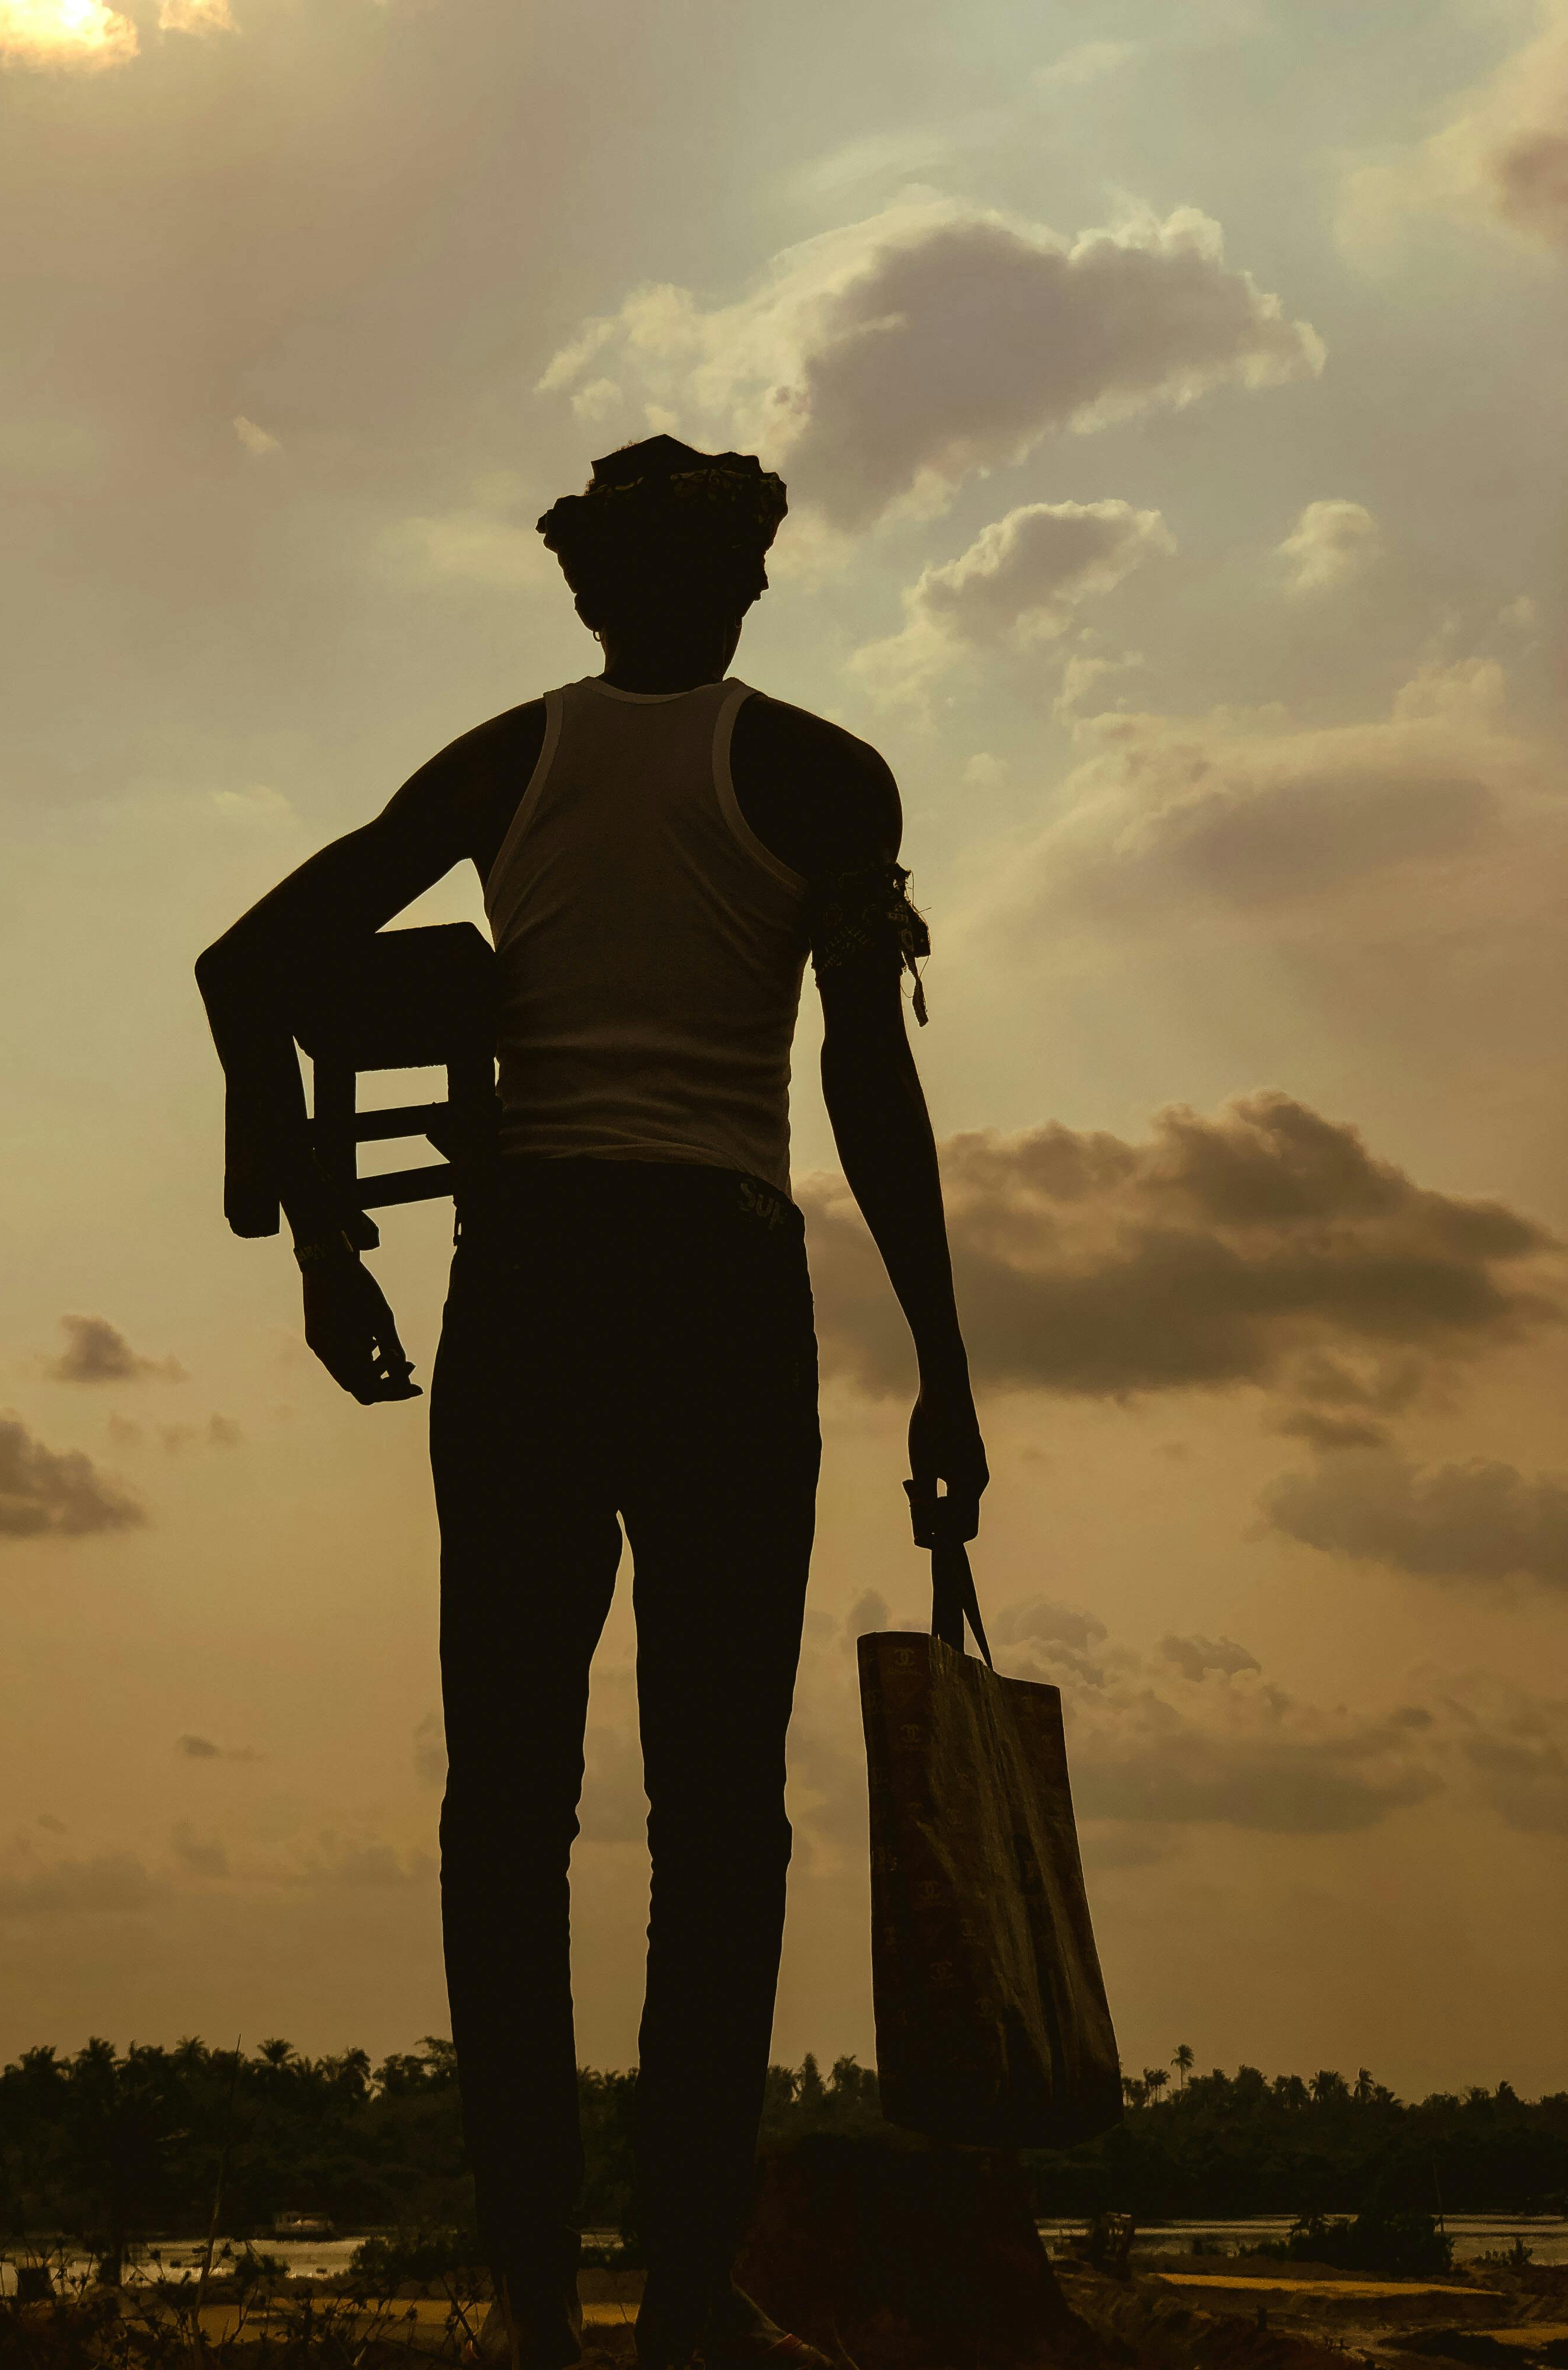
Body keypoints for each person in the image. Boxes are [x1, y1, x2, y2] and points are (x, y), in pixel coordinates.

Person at [195, 435, 988, 2370]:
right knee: (720, 1820)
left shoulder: (504, 761)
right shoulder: (822, 772)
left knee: (508, 1817)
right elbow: (865, 1085)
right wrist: (948, 1365)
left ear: (582, 591)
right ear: (749, 583)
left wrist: (321, 1234)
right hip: (716, 1286)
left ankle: (547, 2314)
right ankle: (682, 2305)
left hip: (531, 1288)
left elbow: (247, 965)